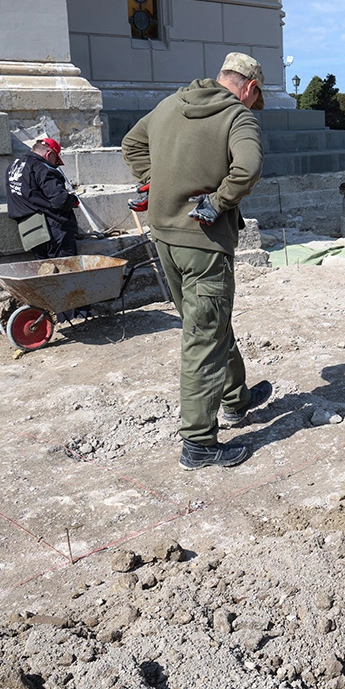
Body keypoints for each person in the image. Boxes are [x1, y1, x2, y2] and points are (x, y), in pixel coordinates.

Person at [121, 53, 274, 471]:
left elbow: (131, 143)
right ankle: (199, 444)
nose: (252, 105)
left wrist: (153, 182)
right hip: (203, 243)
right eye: (254, 98)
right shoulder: (238, 118)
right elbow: (249, 167)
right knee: (203, 335)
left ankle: (236, 399)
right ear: (250, 87)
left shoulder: (171, 104)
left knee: (207, 320)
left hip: (165, 237)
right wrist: (218, 202)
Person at [6, 137, 78, 258]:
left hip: (31, 231)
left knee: (45, 271)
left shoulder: (13, 165)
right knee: (66, 270)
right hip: (54, 230)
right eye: (56, 160)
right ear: (50, 154)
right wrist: (73, 200)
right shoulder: (42, 168)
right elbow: (61, 200)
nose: (55, 164)